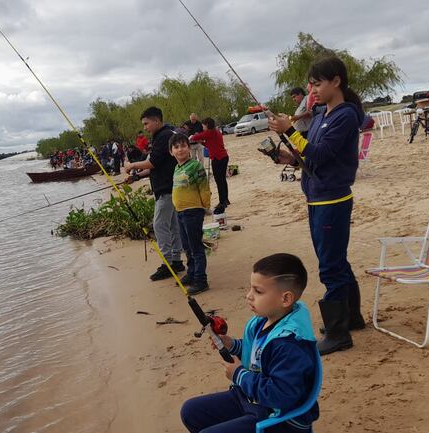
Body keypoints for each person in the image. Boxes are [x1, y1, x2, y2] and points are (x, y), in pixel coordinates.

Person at [267, 56, 365, 355]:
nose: (312, 90)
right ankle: (351, 317)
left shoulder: (345, 116)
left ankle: (338, 334)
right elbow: (313, 155)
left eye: (317, 84)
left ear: (336, 81)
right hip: (317, 196)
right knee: (337, 260)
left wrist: (289, 129)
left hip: (332, 200)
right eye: (310, 85)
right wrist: (290, 158)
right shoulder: (323, 114)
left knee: (330, 266)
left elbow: (320, 154)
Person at [180, 253, 319, 433]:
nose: (249, 296)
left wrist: (239, 374)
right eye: (250, 288)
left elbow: (279, 395)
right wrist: (231, 345)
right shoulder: (265, 320)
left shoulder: (290, 345)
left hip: (278, 418)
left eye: (258, 291)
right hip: (251, 398)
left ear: (285, 299)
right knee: (190, 411)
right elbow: (257, 353)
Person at [124, 107, 185, 280]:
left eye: (146, 123)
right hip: (169, 188)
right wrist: (136, 176)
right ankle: (176, 261)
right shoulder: (163, 135)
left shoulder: (164, 136)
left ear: (157, 121)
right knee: (172, 226)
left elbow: (151, 162)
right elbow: (156, 165)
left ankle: (168, 264)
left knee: (159, 226)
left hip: (166, 189)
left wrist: (131, 166)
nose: (145, 127)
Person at [169, 133, 211, 294]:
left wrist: (205, 206)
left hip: (193, 212)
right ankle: (192, 273)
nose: (180, 149)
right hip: (180, 213)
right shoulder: (177, 168)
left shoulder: (195, 166)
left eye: (183, 146)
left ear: (189, 148)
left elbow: (204, 188)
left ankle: (201, 280)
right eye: (176, 147)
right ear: (171, 151)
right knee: (187, 247)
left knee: (196, 248)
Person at [189, 117, 231, 213]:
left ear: (207, 125)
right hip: (223, 157)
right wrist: (202, 142)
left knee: (219, 180)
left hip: (218, 159)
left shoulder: (210, 132)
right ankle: (225, 199)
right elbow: (209, 144)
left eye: (203, 126)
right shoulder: (216, 131)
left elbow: (195, 137)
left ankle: (222, 202)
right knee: (222, 180)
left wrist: (191, 137)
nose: (203, 128)